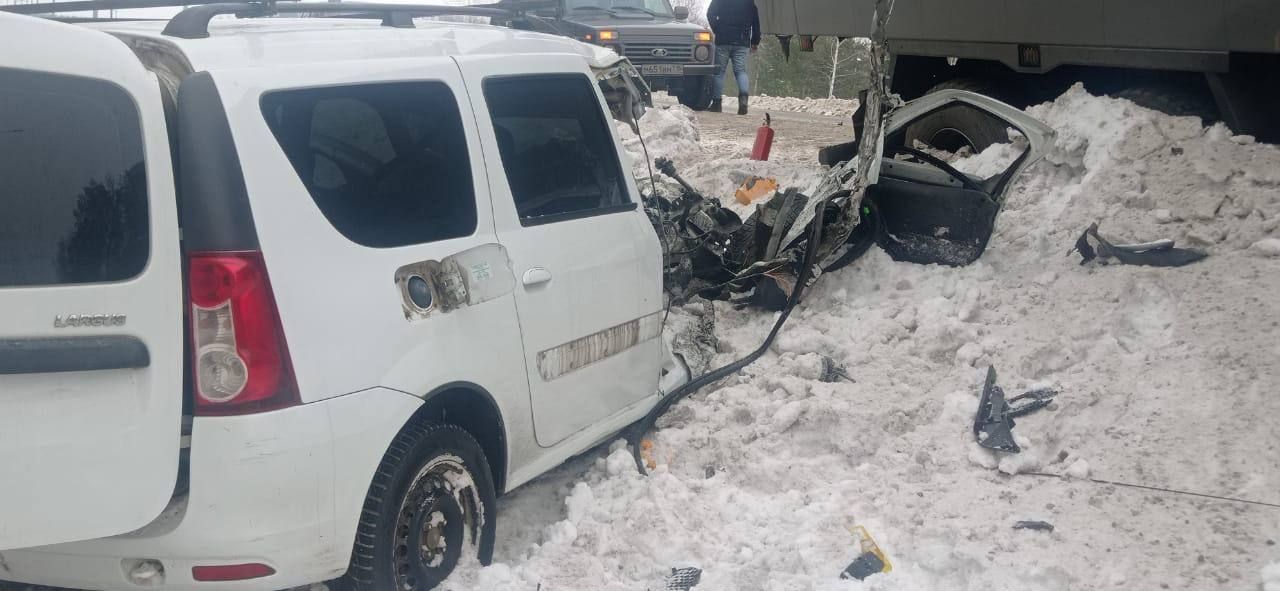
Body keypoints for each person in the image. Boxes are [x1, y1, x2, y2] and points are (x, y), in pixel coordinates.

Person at [706, 0, 760, 115]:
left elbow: (710, 13)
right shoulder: (749, 3)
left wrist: (717, 30)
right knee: (740, 71)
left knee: (719, 72)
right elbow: (756, 23)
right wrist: (755, 41)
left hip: (723, 39)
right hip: (742, 41)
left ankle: (716, 104)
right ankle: (743, 102)